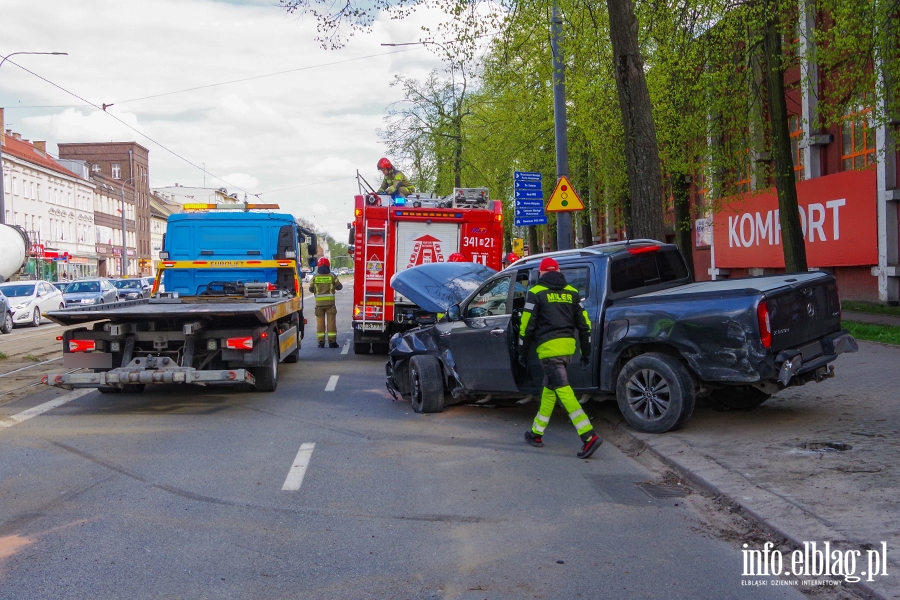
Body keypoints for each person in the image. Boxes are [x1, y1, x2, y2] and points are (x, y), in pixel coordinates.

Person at [518, 256, 602, 458]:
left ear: (541, 273)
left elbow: (526, 325)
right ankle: (536, 434)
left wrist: (521, 351)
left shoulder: (536, 293)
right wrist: (586, 351)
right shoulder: (572, 293)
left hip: (549, 350)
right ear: (558, 272)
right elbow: (584, 325)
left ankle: (588, 436)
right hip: (567, 349)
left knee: (564, 392)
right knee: (549, 391)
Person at [311, 257, 343, 348]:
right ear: (328, 266)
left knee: (320, 323)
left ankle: (321, 342)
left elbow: (310, 289)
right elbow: (339, 287)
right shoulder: (332, 276)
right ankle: (332, 342)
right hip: (330, 305)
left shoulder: (315, 277)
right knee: (331, 323)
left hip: (319, 305)